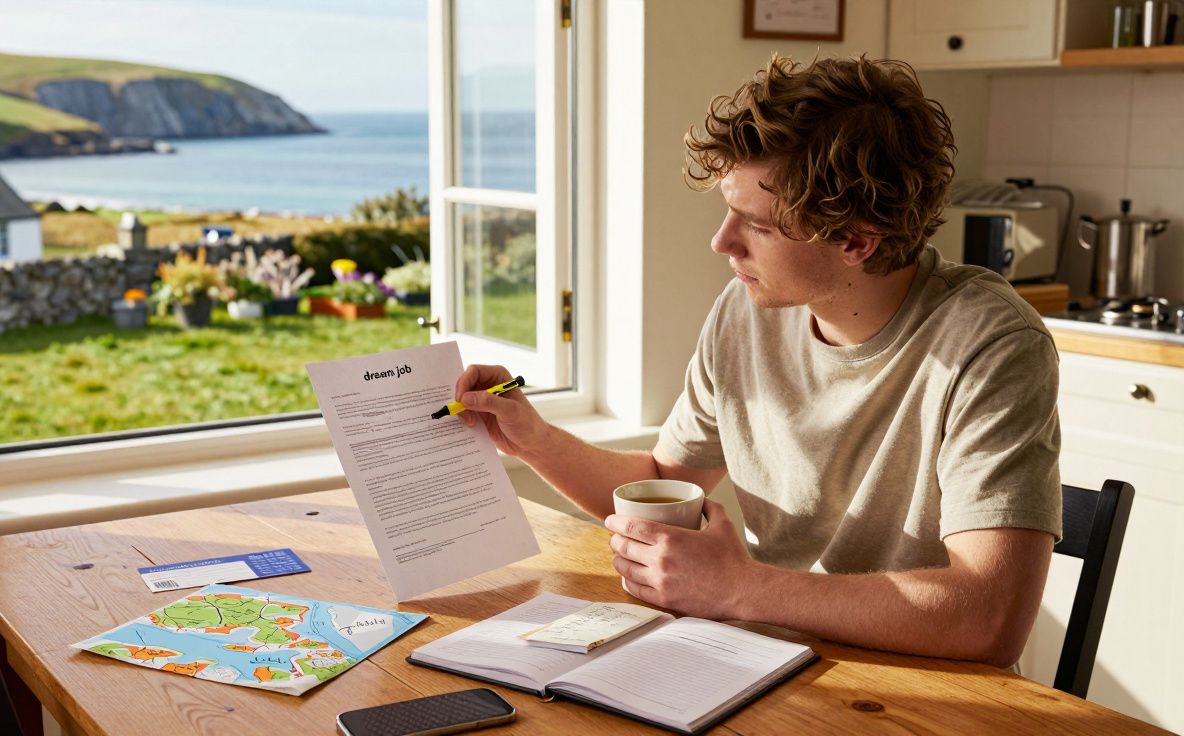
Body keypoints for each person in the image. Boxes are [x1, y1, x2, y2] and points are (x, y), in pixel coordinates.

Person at [451, 55, 1060, 668]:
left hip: (928, 692)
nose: (721, 242)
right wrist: (532, 439)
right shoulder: (745, 313)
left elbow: (989, 618)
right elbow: (667, 482)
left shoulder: (990, 342)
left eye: (757, 226)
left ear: (856, 240)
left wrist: (738, 587)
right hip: (765, 662)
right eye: (727, 211)